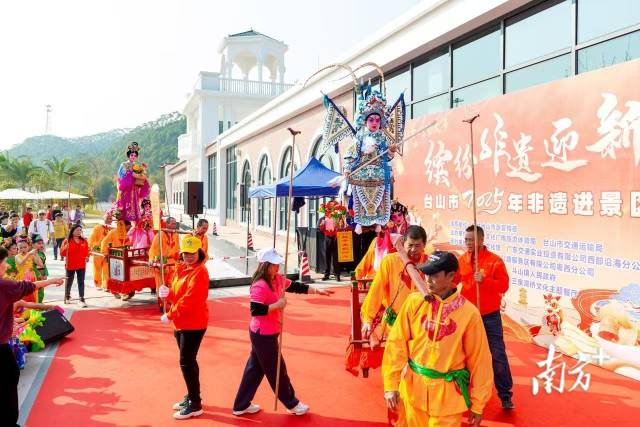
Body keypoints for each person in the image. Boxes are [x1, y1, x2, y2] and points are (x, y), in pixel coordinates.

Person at [382, 249, 494, 427]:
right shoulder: (414, 302)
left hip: (448, 397)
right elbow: (396, 344)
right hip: (412, 392)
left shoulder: (469, 313)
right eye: (426, 273)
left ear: (451, 276)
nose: (427, 279)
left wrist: (478, 404)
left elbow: (480, 361)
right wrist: (390, 384)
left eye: (434, 274)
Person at [232, 248, 334, 417]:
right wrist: (277, 305)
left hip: (271, 331)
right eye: (274, 264)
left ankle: (241, 404)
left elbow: (295, 286)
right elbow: (255, 310)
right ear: (266, 265)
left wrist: (317, 291)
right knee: (277, 369)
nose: (278, 267)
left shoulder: (277, 279)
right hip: (262, 334)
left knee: (255, 369)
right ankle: (292, 403)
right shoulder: (259, 285)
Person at [0, 246, 64, 427]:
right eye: (3, 262)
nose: (5, 266)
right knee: (9, 379)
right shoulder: (4, 286)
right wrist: (51, 281)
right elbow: (30, 286)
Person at [459, 225, 514, 410]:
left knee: (497, 354)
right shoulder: (461, 260)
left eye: (471, 240)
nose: (468, 243)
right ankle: (465, 392)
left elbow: (504, 285)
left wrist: (485, 281)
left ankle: (505, 394)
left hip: (490, 315)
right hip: (468, 315)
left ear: (481, 240)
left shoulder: (494, 261)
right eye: (466, 240)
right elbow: (453, 281)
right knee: (464, 354)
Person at [158, 236, 209, 420]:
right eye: (186, 253)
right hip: (181, 323)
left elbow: (190, 301)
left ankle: (196, 404)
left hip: (193, 324)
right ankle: (192, 396)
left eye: (192, 253)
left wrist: (170, 314)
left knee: (186, 362)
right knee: (189, 362)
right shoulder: (183, 269)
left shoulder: (200, 272)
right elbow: (178, 295)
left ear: (199, 252)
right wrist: (168, 293)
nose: (189, 256)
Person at [360, 225, 429, 342]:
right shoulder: (390, 261)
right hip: (394, 325)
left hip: (421, 327)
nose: (413, 250)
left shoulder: (430, 263)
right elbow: (377, 290)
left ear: (424, 245)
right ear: (403, 243)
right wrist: (368, 319)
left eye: (418, 246)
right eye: (410, 245)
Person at [116, 141, 150, 222]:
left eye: (135, 155)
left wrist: (141, 173)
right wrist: (130, 174)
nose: (133, 157)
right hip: (126, 189)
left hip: (134, 189)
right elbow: (120, 176)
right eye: (131, 155)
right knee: (125, 205)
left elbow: (141, 176)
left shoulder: (137, 166)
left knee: (134, 204)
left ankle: (134, 223)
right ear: (128, 156)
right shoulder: (124, 164)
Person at [101, 220, 132, 300]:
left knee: (125, 275)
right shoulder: (113, 232)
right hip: (114, 257)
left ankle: (126, 292)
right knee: (115, 274)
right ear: (124, 226)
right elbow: (104, 242)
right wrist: (105, 253)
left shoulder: (127, 234)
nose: (129, 228)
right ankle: (115, 291)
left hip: (124, 257)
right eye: (128, 227)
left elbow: (129, 243)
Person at [60, 224, 90, 307]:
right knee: (69, 282)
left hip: (81, 265)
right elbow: (62, 253)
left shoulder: (84, 241)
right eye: (77, 230)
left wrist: (87, 256)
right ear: (72, 231)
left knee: (81, 282)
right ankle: (67, 295)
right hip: (70, 264)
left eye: (80, 230)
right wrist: (66, 247)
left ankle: (81, 298)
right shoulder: (67, 241)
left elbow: (87, 250)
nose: (79, 232)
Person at [149, 217, 180, 293]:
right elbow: (153, 250)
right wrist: (152, 260)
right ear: (167, 224)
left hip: (172, 262)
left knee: (172, 283)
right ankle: (162, 303)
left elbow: (178, 248)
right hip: (162, 261)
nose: (174, 225)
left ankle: (170, 301)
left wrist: (179, 258)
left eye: (175, 224)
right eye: (173, 224)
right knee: (161, 285)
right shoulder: (160, 235)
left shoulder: (176, 234)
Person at [318, 201, 342, 281]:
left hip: (335, 238)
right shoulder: (323, 218)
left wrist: (338, 224)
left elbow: (341, 227)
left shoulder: (337, 217)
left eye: (333, 207)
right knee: (327, 257)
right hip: (327, 238)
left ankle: (337, 275)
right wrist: (322, 224)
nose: (331, 210)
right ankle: (326, 274)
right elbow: (321, 229)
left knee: (335, 257)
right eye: (330, 208)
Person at [88, 214, 112, 290]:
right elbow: (91, 238)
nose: (109, 219)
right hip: (97, 249)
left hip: (107, 251)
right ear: (103, 218)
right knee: (97, 268)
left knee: (106, 269)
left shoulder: (112, 228)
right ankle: (98, 284)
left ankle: (106, 285)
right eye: (107, 218)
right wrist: (89, 247)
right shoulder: (97, 227)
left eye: (110, 218)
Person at [32, 235, 49, 303]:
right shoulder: (32, 254)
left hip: (42, 275)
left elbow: (44, 265)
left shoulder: (42, 253)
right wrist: (39, 275)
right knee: (35, 292)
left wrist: (46, 274)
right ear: (33, 245)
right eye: (39, 243)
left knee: (41, 292)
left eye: (42, 243)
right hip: (35, 275)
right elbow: (33, 267)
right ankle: (36, 306)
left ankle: (39, 305)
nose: (41, 245)